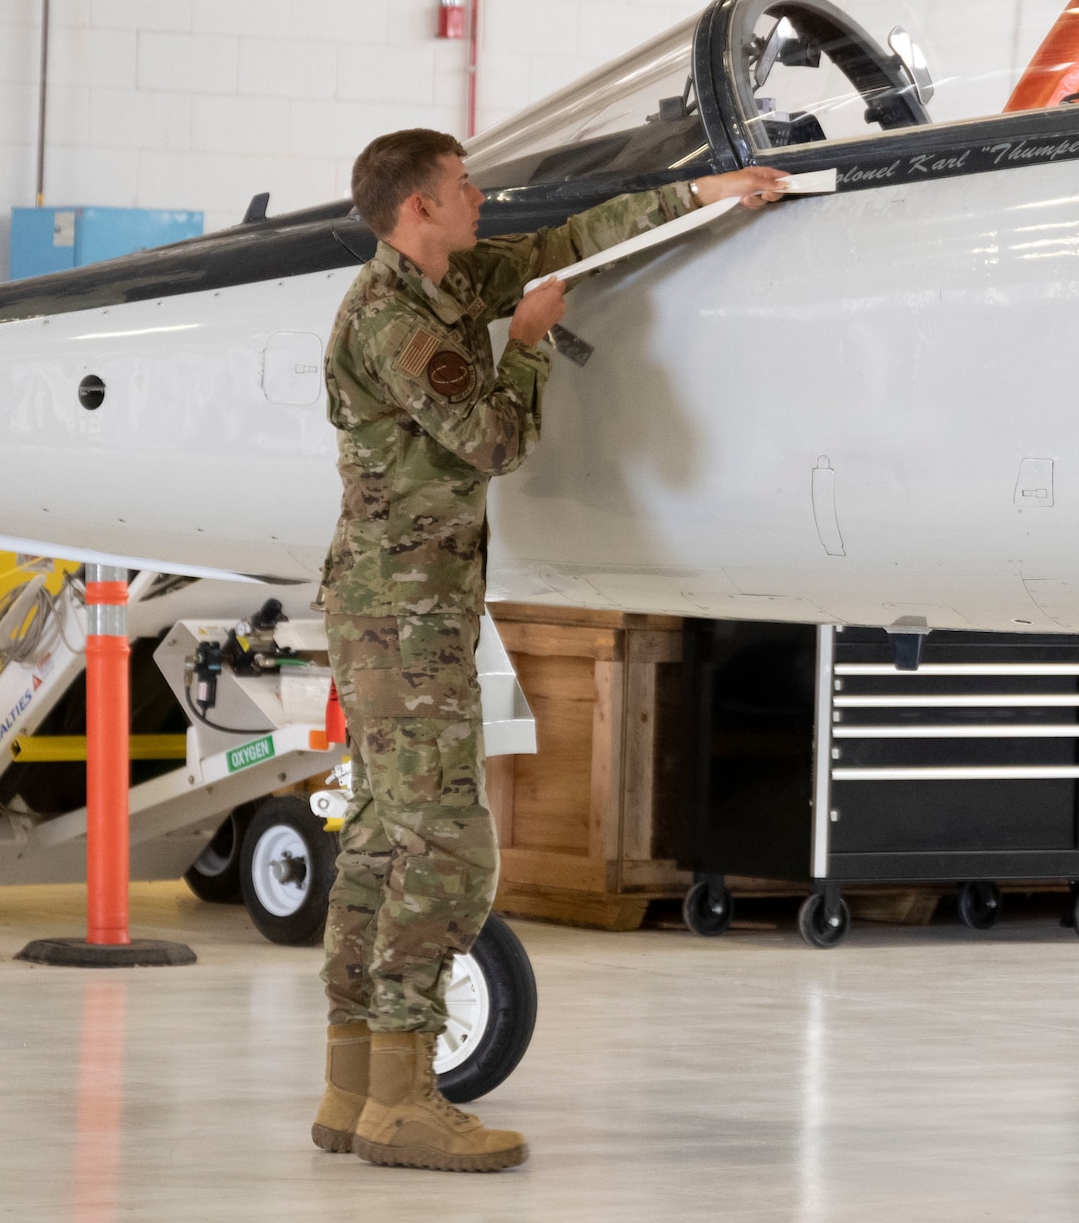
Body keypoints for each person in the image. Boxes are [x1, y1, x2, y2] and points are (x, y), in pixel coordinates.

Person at [312, 127, 789, 1173]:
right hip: (403, 613)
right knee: (445, 846)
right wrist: (524, 346)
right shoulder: (395, 319)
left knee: (389, 837)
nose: (481, 197)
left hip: (399, 602)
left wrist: (706, 190)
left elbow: (564, 244)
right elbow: (493, 439)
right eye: (463, 186)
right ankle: (404, 1098)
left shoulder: (441, 285)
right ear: (418, 208)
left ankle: (356, 1088)